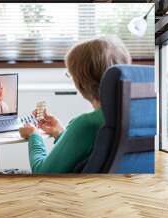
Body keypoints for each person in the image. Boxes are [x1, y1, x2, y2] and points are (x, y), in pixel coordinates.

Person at [19, 36, 132, 173]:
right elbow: (91, 154)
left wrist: (33, 135)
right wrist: (60, 133)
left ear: (81, 82)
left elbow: (42, 172)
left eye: (71, 75)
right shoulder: (135, 113)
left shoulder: (86, 124)